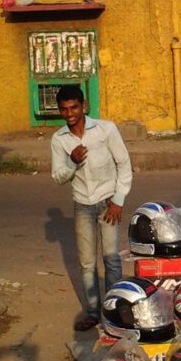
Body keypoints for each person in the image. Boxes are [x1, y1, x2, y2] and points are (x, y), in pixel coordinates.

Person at [50, 84, 132, 331]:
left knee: (112, 260)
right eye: (64, 109)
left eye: (74, 107)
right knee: (86, 263)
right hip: (82, 205)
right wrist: (72, 162)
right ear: (60, 111)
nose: (70, 113)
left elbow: (124, 164)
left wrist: (118, 200)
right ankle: (93, 312)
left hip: (108, 204)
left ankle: (115, 309)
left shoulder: (105, 129)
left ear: (83, 105)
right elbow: (58, 177)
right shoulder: (59, 139)